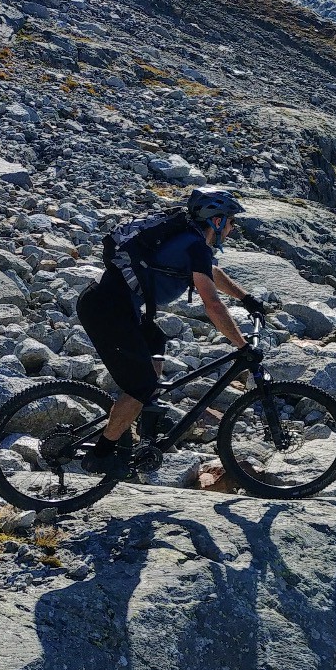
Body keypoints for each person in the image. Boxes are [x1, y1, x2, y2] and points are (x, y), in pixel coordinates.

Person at [76, 187, 266, 474]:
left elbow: (212, 273)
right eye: (231, 220)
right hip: (107, 311)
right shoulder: (194, 244)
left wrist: (246, 299)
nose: (233, 227)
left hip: (111, 305)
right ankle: (101, 455)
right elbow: (212, 304)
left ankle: (145, 417)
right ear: (216, 220)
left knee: (155, 340)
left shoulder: (190, 240)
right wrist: (241, 345)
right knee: (140, 385)